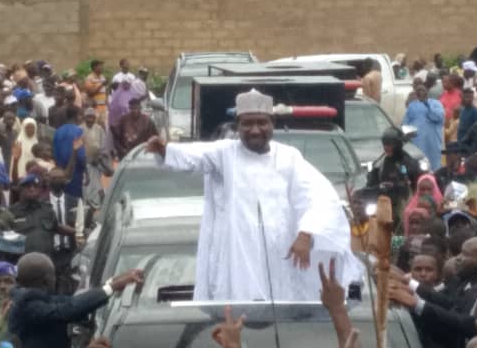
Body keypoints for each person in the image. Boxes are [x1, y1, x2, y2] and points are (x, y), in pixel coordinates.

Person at [147, 88, 363, 301]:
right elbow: (194, 156)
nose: (255, 130)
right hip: (237, 265)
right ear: (237, 126)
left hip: (280, 261)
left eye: (262, 122)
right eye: (247, 124)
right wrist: (164, 150)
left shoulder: (289, 158)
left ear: (272, 123)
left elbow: (318, 196)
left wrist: (305, 234)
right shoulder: (225, 154)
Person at [6, 251, 142, 348]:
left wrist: (110, 284)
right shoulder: (26, 303)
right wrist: (111, 288)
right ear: (47, 280)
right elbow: (67, 310)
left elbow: (71, 302)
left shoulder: (31, 298)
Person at [403, 83, 445, 168]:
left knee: (434, 169)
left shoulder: (435, 103)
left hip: (432, 146)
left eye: (422, 90)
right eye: (418, 91)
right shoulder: (412, 106)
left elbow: (438, 117)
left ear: (427, 92)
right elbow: (405, 125)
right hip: (418, 146)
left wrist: (426, 103)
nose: (420, 92)